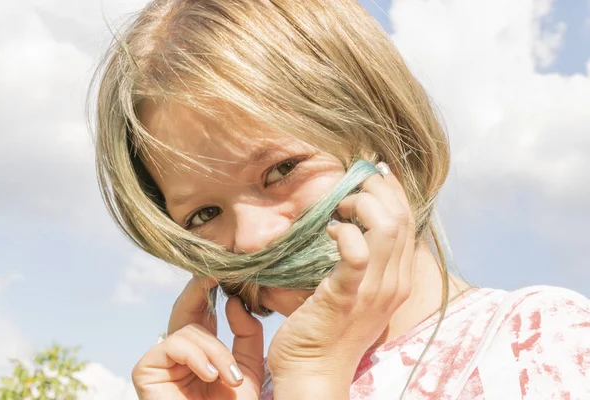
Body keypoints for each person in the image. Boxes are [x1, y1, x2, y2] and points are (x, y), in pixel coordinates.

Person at [91, 0, 590, 398]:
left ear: (388, 134)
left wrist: (314, 381)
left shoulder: (541, 346)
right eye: (204, 214)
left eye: (281, 170)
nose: (252, 238)